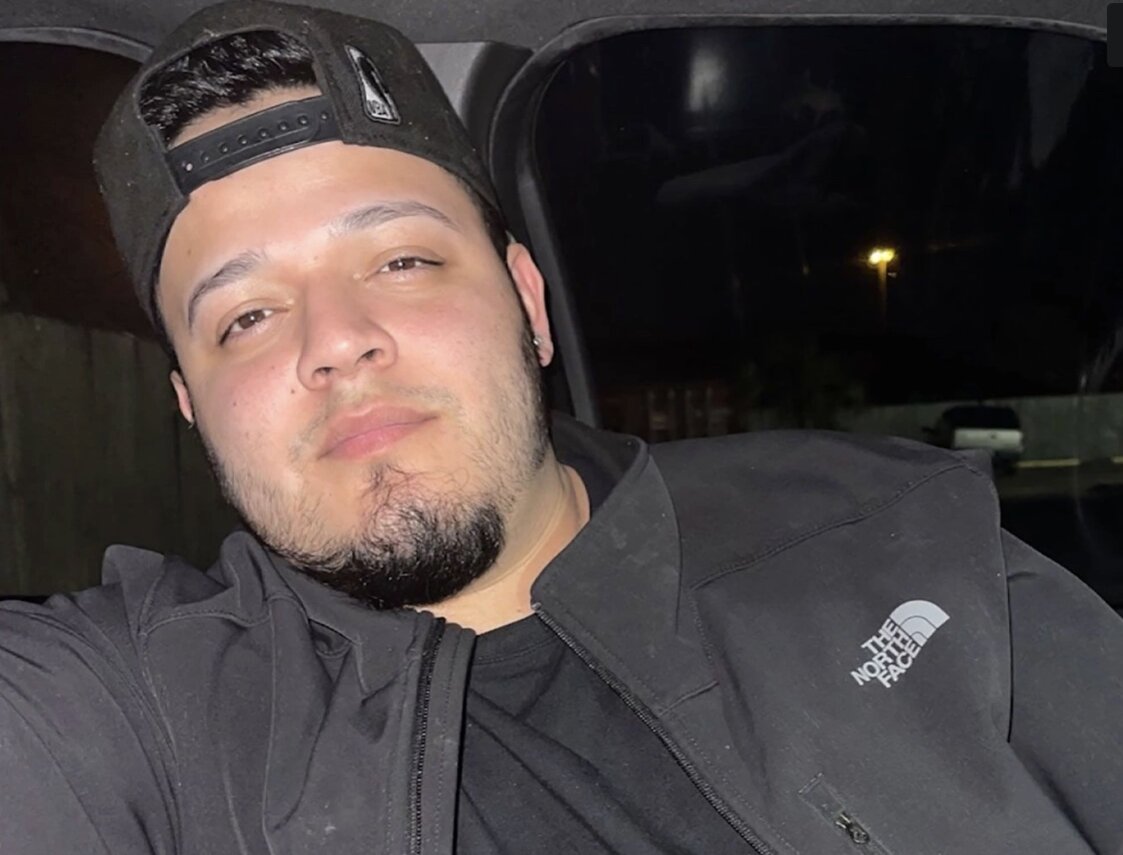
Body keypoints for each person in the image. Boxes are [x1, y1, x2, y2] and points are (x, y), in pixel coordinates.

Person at [1, 1, 1121, 852]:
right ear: (192, 407)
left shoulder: (891, 532)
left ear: (527, 304)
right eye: (245, 316)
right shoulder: (140, 712)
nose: (334, 341)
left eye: (401, 260)